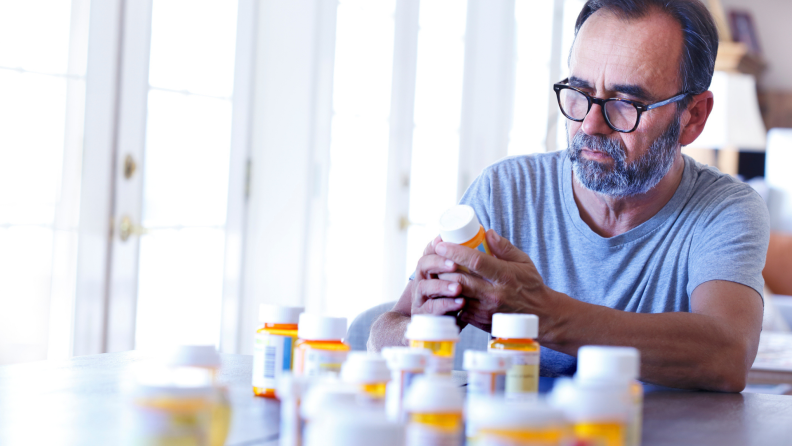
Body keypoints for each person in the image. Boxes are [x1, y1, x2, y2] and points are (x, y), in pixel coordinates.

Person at [368, 0, 770, 392]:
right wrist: (419, 331)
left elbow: (727, 354)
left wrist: (542, 314)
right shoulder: (505, 191)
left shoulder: (724, 209)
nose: (591, 124)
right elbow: (385, 330)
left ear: (693, 116)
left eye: (625, 103)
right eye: (578, 92)